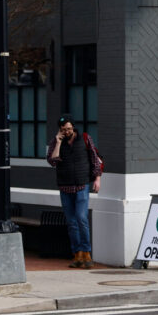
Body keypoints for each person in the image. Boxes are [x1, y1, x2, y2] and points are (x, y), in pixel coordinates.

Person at [46, 114, 102, 269]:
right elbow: (52, 161)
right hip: (65, 187)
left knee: (81, 218)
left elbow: (95, 158)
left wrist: (97, 179)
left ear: (73, 127)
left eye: (69, 128)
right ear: (60, 130)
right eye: (64, 129)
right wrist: (58, 142)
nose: (67, 131)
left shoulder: (84, 138)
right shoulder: (55, 142)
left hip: (81, 186)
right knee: (71, 222)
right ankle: (77, 254)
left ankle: (87, 253)